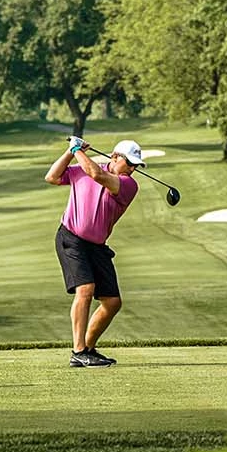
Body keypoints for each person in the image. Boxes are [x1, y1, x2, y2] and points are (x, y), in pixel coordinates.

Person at [44, 136, 146, 368]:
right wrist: (71, 152)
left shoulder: (128, 185)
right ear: (115, 156)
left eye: (135, 166)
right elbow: (51, 177)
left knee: (112, 302)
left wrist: (77, 149)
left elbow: (97, 175)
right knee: (86, 289)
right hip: (71, 238)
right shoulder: (83, 169)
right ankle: (79, 350)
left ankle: (86, 349)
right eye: (129, 163)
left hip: (97, 246)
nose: (132, 169)